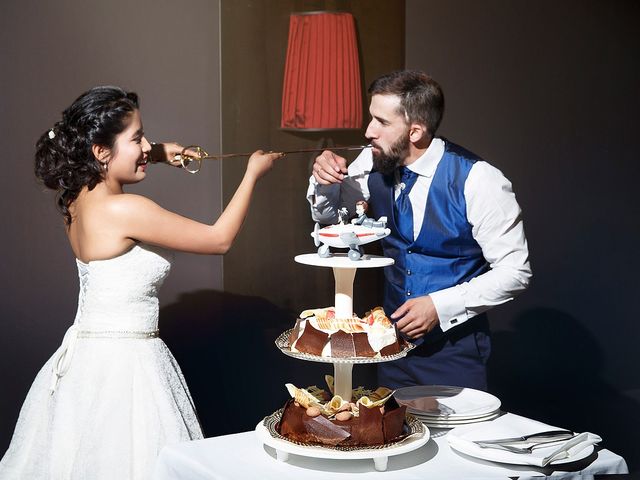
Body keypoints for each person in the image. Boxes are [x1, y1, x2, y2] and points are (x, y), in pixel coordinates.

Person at [0, 86, 282, 479]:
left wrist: (163, 153)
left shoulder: (75, 199)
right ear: (100, 151)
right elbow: (219, 239)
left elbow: (114, 166)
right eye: (137, 138)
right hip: (127, 368)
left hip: (84, 362)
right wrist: (252, 173)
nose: (147, 144)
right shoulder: (128, 210)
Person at [308, 70, 532, 390]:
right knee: (394, 437)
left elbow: (515, 271)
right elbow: (332, 221)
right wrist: (323, 179)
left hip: (455, 353)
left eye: (382, 123)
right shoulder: (371, 161)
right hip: (390, 348)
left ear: (415, 131)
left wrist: (440, 307)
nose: (369, 131)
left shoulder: (479, 179)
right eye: (371, 118)